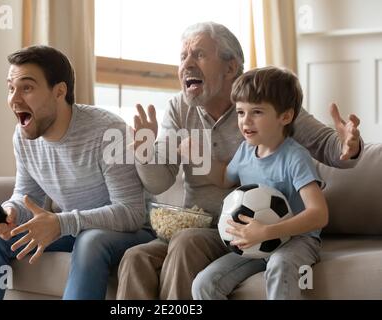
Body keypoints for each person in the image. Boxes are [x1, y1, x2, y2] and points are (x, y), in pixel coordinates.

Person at [116, 21, 362, 300]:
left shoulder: (266, 103)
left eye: (198, 54)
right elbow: (163, 182)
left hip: (238, 229)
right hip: (202, 226)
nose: (187, 64)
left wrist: (348, 145)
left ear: (230, 67)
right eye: (183, 56)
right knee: (136, 257)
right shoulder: (179, 109)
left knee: (186, 243)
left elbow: (329, 146)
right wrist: (145, 151)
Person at [0, 45, 154, 300]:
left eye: (27, 88)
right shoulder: (23, 136)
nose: (14, 99)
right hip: (74, 228)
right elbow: (27, 194)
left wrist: (63, 223)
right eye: (11, 88)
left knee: (90, 241)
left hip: (129, 233)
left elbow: (131, 212)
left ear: (59, 91)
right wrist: (12, 211)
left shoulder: (108, 131)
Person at [191, 66, 328, 299]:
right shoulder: (245, 151)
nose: (246, 121)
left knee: (280, 265)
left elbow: (319, 214)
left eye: (256, 112)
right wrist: (199, 157)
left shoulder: (295, 157)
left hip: (296, 241)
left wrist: (267, 231)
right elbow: (225, 178)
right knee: (204, 284)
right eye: (241, 112)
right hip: (255, 243)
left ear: (285, 116)